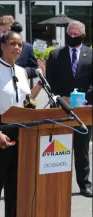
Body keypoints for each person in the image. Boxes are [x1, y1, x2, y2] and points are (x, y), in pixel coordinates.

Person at [0, 31, 43, 217]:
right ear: (3, 46)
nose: (17, 48)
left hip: (20, 127)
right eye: (13, 44)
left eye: (20, 45)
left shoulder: (22, 71)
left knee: (16, 178)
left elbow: (27, 102)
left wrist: (40, 83)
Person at [46, 20, 92, 197]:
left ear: (83, 35)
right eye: (70, 34)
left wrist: (84, 98)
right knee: (58, 148)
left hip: (84, 110)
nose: (72, 37)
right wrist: (60, 97)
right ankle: (57, 184)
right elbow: (50, 81)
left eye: (76, 34)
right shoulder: (56, 54)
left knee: (81, 149)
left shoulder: (91, 55)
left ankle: (84, 184)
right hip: (60, 109)